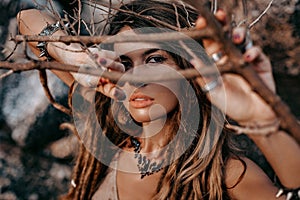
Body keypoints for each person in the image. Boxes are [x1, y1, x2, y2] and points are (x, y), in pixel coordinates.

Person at [17, 0, 300, 199]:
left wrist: (264, 121)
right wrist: (75, 58)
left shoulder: (223, 174)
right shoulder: (106, 127)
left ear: (188, 71)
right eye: (124, 63)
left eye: (154, 59)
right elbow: (27, 20)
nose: (135, 78)